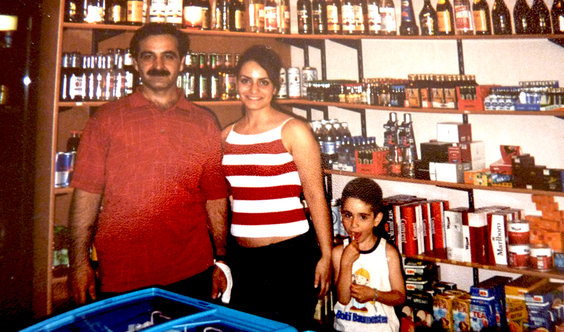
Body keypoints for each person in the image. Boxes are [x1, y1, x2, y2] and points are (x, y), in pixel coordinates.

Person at [67, 23, 230, 304]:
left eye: (168, 55)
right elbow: (86, 195)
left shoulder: (204, 122)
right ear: (134, 62)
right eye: (148, 56)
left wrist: (221, 258)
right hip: (123, 274)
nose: (158, 65)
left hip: (192, 269)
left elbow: (215, 197)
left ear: (182, 62)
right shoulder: (105, 120)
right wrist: (79, 264)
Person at [221, 45, 332, 330]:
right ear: (236, 83)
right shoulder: (225, 136)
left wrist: (327, 256)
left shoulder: (294, 130)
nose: (253, 89)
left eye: (263, 81)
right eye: (246, 80)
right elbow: (222, 201)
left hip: (289, 258)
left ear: (275, 86)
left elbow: (316, 196)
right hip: (242, 259)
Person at [332, 177, 405, 332]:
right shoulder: (338, 252)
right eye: (348, 215)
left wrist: (374, 294)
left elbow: (399, 297)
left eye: (363, 217)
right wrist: (346, 263)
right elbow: (343, 299)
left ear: (376, 219)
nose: (353, 224)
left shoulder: (388, 253)